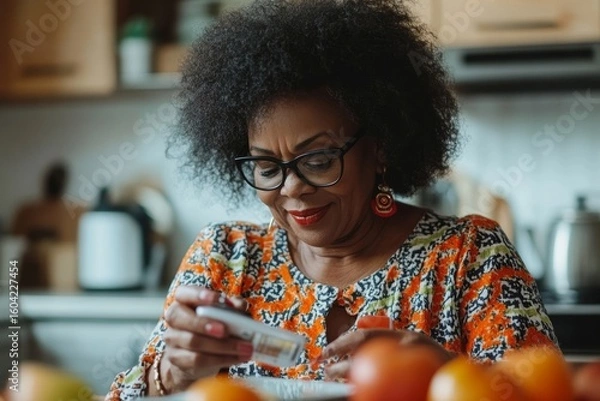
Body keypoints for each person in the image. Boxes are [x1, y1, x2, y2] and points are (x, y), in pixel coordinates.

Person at [106, 0, 558, 399]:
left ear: (379, 147)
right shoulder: (225, 259)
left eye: (318, 159)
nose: (291, 188)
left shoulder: (468, 257)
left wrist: (443, 373)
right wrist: (173, 374)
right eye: (267, 167)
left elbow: (545, 394)